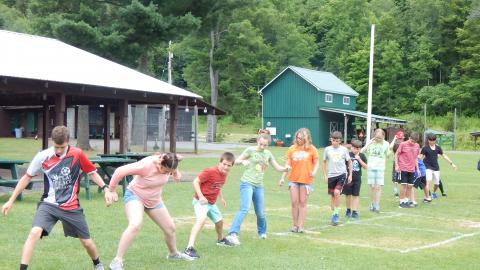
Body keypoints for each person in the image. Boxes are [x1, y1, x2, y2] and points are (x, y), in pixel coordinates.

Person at [1, 125, 112, 270]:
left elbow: (92, 172)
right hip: (49, 205)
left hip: (71, 207)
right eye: (56, 147)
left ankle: (97, 264)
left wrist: (105, 188)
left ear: (68, 142)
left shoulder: (77, 154)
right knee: (34, 232)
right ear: (52, 142)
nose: (59, 150)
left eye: (62, 147)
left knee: (87, 243)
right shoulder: (43, 156)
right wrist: (10, 200)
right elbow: (26, 178)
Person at [107, 153, 192, 270]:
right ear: (161, 163)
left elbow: (178, 159)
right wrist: (111, 190)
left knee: (170, 228)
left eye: (169, 172)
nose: (167, 174)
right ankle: (117, 261)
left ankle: (173, 254)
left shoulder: (172, 159)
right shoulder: (145, 165)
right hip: (135, 196)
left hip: (154, 200)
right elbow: (120, 171)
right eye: (166, 171)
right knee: (135, 224)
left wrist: (175, 172)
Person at [226, 129, 290, 245]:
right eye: (261, 144)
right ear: (257, 141)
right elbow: (236, 160)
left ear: (268, 144)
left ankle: (262, 233)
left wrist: (285, 169)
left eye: (265, 145)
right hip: (246, 183)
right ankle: (233, 233)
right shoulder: (250, 150)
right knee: (245, 208)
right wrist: (243, 162)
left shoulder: (268, 154)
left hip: (259, 186)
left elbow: (276, 167)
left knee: (260, 212)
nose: (262, 146)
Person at [183, 152, 236, 259]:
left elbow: (218, 186)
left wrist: (221, 197)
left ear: (231, 166)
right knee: (201, 220)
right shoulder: (210, 171)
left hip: (211, 203)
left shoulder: (224, 174)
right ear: (220, 162)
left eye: (229, 165)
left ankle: (220, 240)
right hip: (200, 201)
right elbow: (195, 181)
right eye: (224, 164)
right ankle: (189, 248)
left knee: (219, 222)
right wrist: (201, 196)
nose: (226, 167)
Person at [279, 128, 319, 233]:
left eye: (301, 138)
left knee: (302, 203)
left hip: (306, 180)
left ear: (306, 138)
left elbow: (316, 162)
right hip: (293, 179)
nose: (299, 139)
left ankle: (301, 226)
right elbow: (287, 164)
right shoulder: (292, 148)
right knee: (294, 202)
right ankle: (295, 225)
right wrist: (282, 177)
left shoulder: (312, 149)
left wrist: (314, 172)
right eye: (297, 137)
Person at [322, 131, 352, 226]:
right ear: (331, 139)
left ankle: (336, 215)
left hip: (342, 174)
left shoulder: (344, 150)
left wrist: (350, 174)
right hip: (331, 176)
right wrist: (325, 175)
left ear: (340, 141)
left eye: (337, 141)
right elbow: (324, 162)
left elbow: (349, 161)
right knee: (332, 199)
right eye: (333, 140)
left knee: (337, 192)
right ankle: (334, 212)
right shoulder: (327, 150)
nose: (335, 142)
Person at [361, 129, 390, 213]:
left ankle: (377, 204)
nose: (378, 139)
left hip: (380, 168)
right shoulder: (371, 142)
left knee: (378, 187)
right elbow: (361, 152)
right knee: (372, 187)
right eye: (377, 137)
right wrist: (369, 143)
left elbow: (388, 154)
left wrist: (388, 154)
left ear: (383, 136)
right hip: (371, 167)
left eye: (380, 138)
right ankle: (372, 203)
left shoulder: (386, 144)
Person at [421, 133, 457, 200]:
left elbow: (444, 156)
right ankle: (427, 197)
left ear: (435, 140)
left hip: (436, 168)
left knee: (437, 184)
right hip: (427, 167)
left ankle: (434, 192)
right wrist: (419, 165)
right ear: (428, 140)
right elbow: (421, 157)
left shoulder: (438, 148)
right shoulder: (425, 148)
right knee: (428, 181)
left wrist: (452, 164)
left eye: (433, 140)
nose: (432, 141)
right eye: (430, 140)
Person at [343, 139, 367, 219]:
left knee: (356, 195)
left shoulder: (362, 155)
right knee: (347, 195)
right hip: (348, 178)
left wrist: (359, 159)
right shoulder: (347, 155)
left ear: (360, 149)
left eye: (358, 148)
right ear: (351, 147)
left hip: (357, 179)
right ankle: (348, 210)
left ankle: (354, 211)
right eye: (354, 148)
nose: (356, 150)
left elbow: (365, 167)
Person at [395, 132, 421, 208]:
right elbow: (396, 154)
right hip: (403, 168)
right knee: (403, 185)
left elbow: (416, 158)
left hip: (412, 169)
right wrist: (397, 165)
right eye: (412, 141)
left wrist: (418, 169)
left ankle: (406, 201)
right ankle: (401, 202)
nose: (413, 143)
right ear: (409, 138)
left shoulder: (417, 146)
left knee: (410, 186)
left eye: (414, 142)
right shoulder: (403, 144)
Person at [389, 131, 405, 198]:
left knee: (403, 178)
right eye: (399, 138)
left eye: (401, 138)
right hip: (396, 162)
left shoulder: (404, 144)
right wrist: (394, 139)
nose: (400, 140)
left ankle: (403, 191)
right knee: (395, 177)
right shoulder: (395, 144)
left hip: (404, 163)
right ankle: (395, 192)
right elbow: (390, 147)